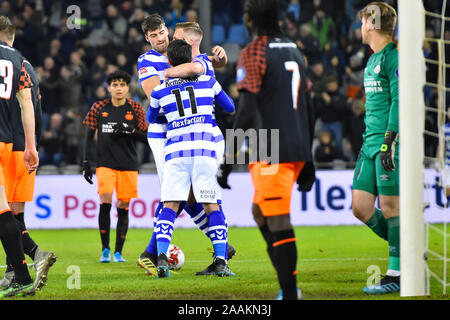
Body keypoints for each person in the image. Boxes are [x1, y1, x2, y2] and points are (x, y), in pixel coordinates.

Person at [217, 0, 315, 300]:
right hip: (292, 141)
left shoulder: (254, 51)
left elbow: (245, 111)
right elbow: (309, 105)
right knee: (260, 212)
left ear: (248, 19)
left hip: (271, 144)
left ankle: (289, 292)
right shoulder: (294, 49)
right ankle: (289, 287)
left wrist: (227, 160)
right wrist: (308, 157)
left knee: (278, 218)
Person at [135, 14, 234, 277]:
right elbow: (154, 91)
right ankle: (215, 245)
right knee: (178, 196)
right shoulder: (146, 61)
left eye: (162, 32)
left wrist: (218, 60)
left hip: (196, 135)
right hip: (165, 136)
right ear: (147, 38)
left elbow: (203, 68)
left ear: (169, 32)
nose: (159, 38)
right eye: (153, 35)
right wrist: (194, 66)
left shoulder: (191, 56)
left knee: (185, 196)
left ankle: (157, 253)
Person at [164, 22, 235, 276]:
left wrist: (168, 74)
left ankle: (220, 254)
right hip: (189, 135)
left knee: (202, 198)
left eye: (176, 36)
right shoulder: (186, 62)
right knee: (191, 198)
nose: (172, 39)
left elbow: (197, 68)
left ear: (190, 41)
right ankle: (222, 247)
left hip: (206, 136)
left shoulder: (200, 63)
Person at [351, 2, 400, 294]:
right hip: (369, 143)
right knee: (360, 206)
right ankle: (408, 247)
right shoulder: (371, 60)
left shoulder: (394, 57)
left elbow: (398, 100)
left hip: (387, 143)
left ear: (371, 24)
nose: (360, 27)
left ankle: (396, 272)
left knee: (391, 207)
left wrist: (389, 140)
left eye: (363, 22)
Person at [1, 56, 57, 292]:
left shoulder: (13, 66)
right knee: (14, 213)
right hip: (24, 145)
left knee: (5, 213)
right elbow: (35, 107)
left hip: (10, 143)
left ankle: (31, 257)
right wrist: (34, 145)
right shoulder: (26, 68)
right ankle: (13, 271)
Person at [82, 70, 149, 263]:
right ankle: (105, 250)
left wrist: (129, 130)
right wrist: (86, 163)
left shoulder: (135, 108)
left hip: (128, 164)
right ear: (108, 88)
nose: (118, 88)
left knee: (124, 206)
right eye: (114, 85)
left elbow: (146, 138)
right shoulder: (99, 107)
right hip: (105, 164)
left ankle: (118, 252)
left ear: (128, 88)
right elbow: (88, 135)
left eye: (122, 85)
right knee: (105, 202)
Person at [0, 16, 39, 298]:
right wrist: (31, 145)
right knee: (4, 210)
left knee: (4, 212)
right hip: (8, 140)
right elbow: (28, 104)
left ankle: (23, 273)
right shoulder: (19, 62)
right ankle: (21, 271)